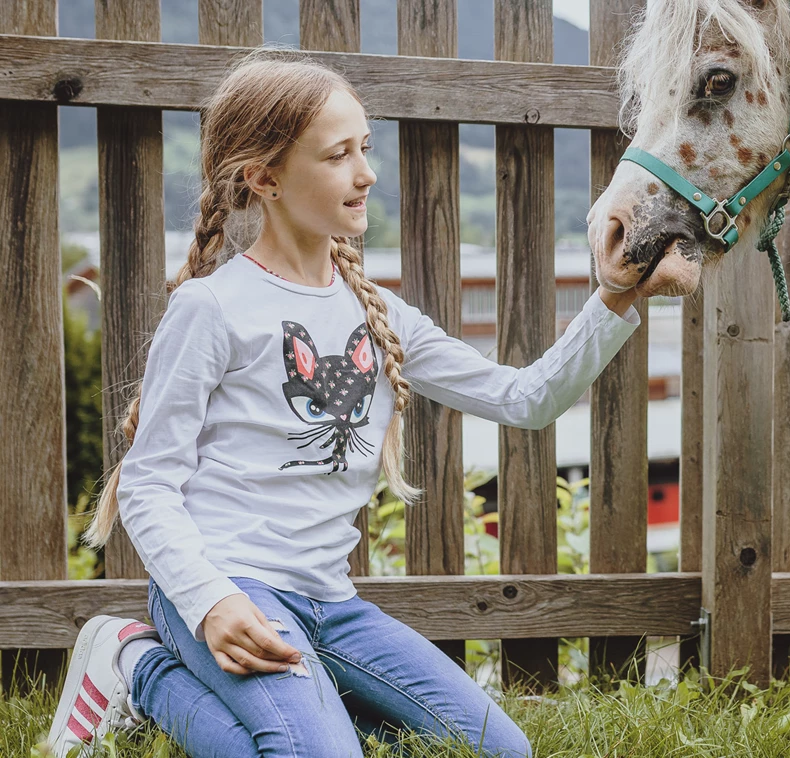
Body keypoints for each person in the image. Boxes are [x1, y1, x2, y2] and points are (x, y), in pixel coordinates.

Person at [47, 49, 640, 758]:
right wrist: (209, 601)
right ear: (263, 178)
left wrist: (616, 295)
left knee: (500, 750)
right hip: (222, 588)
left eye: (365, 148)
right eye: (337, 156)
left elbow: (525, 400)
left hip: (332, 605)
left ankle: (311, 709)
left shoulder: (378, 312)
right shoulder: (214, 309)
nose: (366, 173)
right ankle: (135, 665)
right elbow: (147, 484)